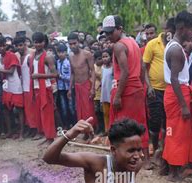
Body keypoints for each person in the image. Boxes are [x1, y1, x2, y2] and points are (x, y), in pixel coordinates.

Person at [103, 15, 151, 169]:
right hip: (136, 87)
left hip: (125, 89)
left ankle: (125, 158)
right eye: (106, 33)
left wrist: (117, 96)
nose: (108, 36)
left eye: (111, 32)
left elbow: (124, 71)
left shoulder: (119, 46)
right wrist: (142, 86)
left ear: (120, 29)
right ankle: (146, 159)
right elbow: (142, 67)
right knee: (140, 124)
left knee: (122, 126)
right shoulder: (133, 43)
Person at [162, 11, 192, 182]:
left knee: (176, 133)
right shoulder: (176, 50)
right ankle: (173, 172)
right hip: (178, 94)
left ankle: (175, 169)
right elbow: (174, 78)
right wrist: (184, 105)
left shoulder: (173, 45)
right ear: (182, 28)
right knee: (176, 134)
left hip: (175, 92)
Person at [143, 18, 176, 166]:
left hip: (170, 89)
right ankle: (155, 148)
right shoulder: (152, 44)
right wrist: (149, 86)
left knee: (167, 121)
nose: (170, 32)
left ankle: (164, 151)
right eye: (169, 29)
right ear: (165, 28)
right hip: (155, 90)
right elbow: (144, 67)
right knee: (155, 121)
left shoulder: (174, 44)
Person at [0, 36, 24, 140]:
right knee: (6, 109)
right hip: (6, 85)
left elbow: (11, 71)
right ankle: (10, 131)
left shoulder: (12, 55)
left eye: (2, 46)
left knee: (19, 109)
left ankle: (21, 133)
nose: (0, 48)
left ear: (5, 46)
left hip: (15, 84)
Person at [29, 32, 58, 144]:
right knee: (40, 114)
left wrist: (39, 76)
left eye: (40, 42)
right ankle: (46, 136)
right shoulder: (33, 56)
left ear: (44, 42)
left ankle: (50, 137)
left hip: (45, 88)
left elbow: (55, 74)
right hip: (36, 88)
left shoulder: (48, 56)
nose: (38, 45)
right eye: (35, 42)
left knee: (47, 114)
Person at [68, 32, 96, 128]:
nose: (72, 46)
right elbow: (72, 73)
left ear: (78, 42)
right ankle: (84, 129)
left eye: (74, 43)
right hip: (77, 86)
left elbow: (92, 71)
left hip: (86, 84)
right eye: (70, 44)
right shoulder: (70, 56)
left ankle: (91, 129)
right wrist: (69, 89)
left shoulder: (86, 54)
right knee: (79, 109)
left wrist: (93, 88)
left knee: (89, 109)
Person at [56, 43, 74, 129]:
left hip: (68, 88)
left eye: (62, 52)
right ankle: (66, 125)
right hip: (61, 88)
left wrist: (61, 76)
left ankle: (73, 123)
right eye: (59, 52)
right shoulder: (57, 62)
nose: (60, 54)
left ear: (66, 52)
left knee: (71, 107)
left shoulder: (68, 63)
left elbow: (71, 76)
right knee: (64, 107)